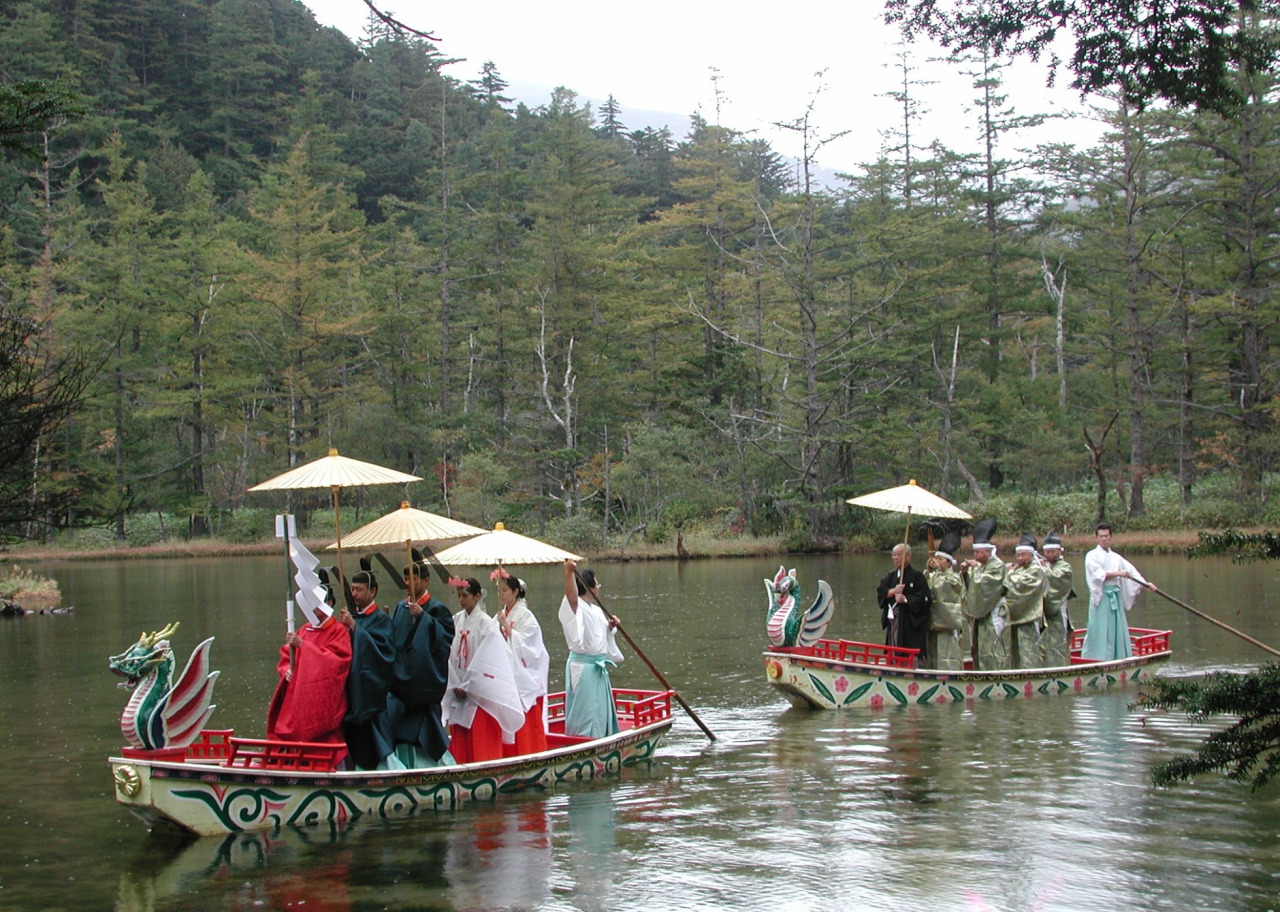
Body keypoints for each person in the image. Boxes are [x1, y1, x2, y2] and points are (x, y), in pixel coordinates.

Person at [266, 574, 351, 759]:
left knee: (319, 731)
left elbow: (337, 662)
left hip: (321, 694)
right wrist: (287, 670)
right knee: (288, 724)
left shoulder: (338, 631)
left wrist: (303, 646)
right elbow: (287, 656)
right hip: (298, 691)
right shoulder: (304, 629)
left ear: (329, 602)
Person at [383, 554, 455, 768]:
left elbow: (444, 640)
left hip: (423, 682)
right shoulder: (400, 607)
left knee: (424, 729)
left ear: (425, 580)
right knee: (395, 725)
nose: (409, 583)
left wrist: (424, 618)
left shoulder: (437, 609)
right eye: (406, 579)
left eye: (413, 579)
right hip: (400, 681)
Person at [441, 577, 524, 763]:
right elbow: (449, 654)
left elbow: (489, 659)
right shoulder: (455, 620)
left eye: (465, 596)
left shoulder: (487, 624)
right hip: (458, 685)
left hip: (480, 692)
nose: (461, 600)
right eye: (459, 596)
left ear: (477, 596)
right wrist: (455, 683)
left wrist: (469, 686)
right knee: (461, 736)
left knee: (481, 738)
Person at [339, 563, 398, 770]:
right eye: (352, 589)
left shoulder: (381, 619)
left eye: (359, 589)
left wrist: (356, 629)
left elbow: (384, 654)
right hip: (353, 690)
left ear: (372, 592)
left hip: (371, 693)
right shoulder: (354, 618)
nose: (354, 594)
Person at [560, 559, 624, 739]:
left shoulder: (595, 609)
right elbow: (572, 598)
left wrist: (610, 627)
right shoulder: (577, 606)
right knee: (585, 709)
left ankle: (602, 736)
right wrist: (569, 573)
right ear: (590, 587)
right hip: (583, 666)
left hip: (597, 665)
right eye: (597, 583)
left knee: (599, 707)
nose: (599, 586)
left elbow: (599, 635)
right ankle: (582, 739)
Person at [494, 569, 550, 756]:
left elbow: (532, 648)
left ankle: (530, 752)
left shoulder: (527, 617)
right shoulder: (499, 615)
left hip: (523, 674)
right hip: (506, 671)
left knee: (526, 715)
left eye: (504, 590)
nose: (501, 594)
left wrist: (507, 628)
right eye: (499, 591)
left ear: (515, 591)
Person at [1081, 523, 1157, 661]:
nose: (1104, 539)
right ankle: (1096, 658)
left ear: (1111, 537)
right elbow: (1098, 575)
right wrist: (1119, 573)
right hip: (1102, 597)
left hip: (1115, 596)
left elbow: (1131, 572)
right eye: (1101, 536)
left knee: (1117, 627)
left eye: (1106, 536)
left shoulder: (1116, 557)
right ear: (1096, 538)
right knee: (1099, 628)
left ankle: (1118, 656)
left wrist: (1146, 584)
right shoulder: (1091, 556)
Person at [961, 519, 1010, 670]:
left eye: (978, 552)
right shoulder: (981, 566)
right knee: (979, 646)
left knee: (992, 646)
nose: (975, 555)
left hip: (994, 610)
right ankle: (980, 671)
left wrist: (974, 569)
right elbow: (973, 585)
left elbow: (986, 584)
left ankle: (996, 673)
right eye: (974, 552)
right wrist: (965, 573)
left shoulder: (997, 565)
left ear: (987, 552)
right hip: (982, 612)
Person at [876, 543, 932, 662]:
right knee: (893, 646)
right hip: (894, 621)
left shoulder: (917, 576)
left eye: (899, 554)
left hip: (910, 623)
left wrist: (906, 599)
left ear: (908, 556)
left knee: (910, 650)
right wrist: (892, 591)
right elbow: (881, 593)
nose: (895, 558)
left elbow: (925, 599)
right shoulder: (890, 576)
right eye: (894, 555)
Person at [1004, 533, 1048, 668]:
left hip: (1030, 616)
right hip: (1015, 616)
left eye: (1023, 555)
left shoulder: (1036, 570)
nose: (1020, 558)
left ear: (1031, 555)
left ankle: (1031, 673)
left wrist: (1009, 573)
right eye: (1018, 555)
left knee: (1028, 650)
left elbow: (1021, 586)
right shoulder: (1018, 570)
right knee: (1014, 650)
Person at [924, 532, 965, 670]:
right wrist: (928, 571)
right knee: (932, 654)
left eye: (940, 559)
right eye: (936, 558)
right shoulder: (933, 575)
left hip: (946, 624)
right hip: (933, 622)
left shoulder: (954, 578)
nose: (937, 561)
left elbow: (944, 589)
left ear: (948, 562)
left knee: (947, 656)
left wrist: (938, 572)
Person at [1039, 531, 1074, 666]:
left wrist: (1042, 568)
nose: (1049, 555)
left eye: (1053, 552)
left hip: (1058, 608)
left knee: (1058, 640)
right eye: (1047, 552)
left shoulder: (1065, 567)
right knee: (1044, 642)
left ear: (1059, 551)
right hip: (1044, 611)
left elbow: (1055, 579)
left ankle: (1060, 666)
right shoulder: (1046, 566)